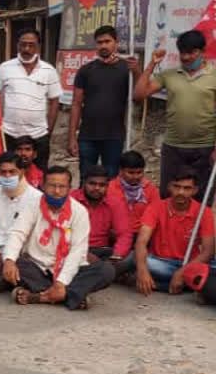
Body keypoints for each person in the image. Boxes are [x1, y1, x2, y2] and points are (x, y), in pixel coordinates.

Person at [2, 166, 115, 309]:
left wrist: (61, 282)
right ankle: (71, 295)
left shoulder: (79, 212)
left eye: (62, 186)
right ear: (43, 186)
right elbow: (18, 233)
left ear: (69, 188)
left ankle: (41, 296)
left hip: (70, 269)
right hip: (38, 267)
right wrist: (9, 261)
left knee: (106, 270)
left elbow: (77, 251)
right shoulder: (31, 206)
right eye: (52, 186)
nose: (56, 191)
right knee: (13, 262)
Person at [134, 30, 216, 201]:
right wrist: (151, 64)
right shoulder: (168, 75)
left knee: (201, 198)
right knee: (168, 196)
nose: (185, 57)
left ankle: (199, 228)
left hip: (204, 148)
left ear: (201, 52)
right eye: (182, 53)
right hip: (173, 147)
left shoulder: (214, 75)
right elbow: (139, 95)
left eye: (191, 52)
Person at [68, 26, 140, 181]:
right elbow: (76, 104)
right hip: (87, 136)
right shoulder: (86, 70)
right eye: (100, 42)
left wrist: (136, 71)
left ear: (116, 43)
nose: (103, 46)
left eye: (107, 41)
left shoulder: (126, 69)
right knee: (86, 179)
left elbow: (138, 95)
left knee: (111, 180)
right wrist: (72, 137)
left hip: (114, 136)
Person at [134, 169, 216, 296]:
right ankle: (190, 286)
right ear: (169, 187)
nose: (181, 192)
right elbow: (141, 241)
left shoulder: (204, 212)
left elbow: (208, 251)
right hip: (160, 262)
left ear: (195, 190)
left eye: (187, 188)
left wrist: (181, 272)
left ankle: (163, 285)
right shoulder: (156, 207)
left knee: (207, 269)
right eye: (176, 187)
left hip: (191, 264)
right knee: (137, 259)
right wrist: (142, 270)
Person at [0, 29, 62, 171]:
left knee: (39, 176)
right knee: (10, 173)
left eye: (31, 45)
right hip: (9, 134)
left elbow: (54, 102)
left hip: (38, 135)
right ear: (18, 46)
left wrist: (48, 130)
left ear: (38, 47)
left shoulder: (49, 70)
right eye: (23, 44)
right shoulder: (5, 68)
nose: (26, 49)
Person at [0, 152, 42, 278]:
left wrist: (10, 258)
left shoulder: (36, 197)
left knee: (28, 266)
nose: (7, 176)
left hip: (22, 253)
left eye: (12, 172)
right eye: (3, 172)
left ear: (22, 171)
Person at [70, 165, 133, 269]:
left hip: (102, 251)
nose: (97, 188)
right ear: (84, 182)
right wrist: (84, 254)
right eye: (92, 184)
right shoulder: (71, 200)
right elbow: (64, 233)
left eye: (102, 185)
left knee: (131, 257)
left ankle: (100, 271)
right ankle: (102, 272)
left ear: (108, 185)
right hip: (75, 249)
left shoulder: (115, 202)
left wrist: (115, 257)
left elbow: (125, 234)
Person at [107, 151, 160, 235]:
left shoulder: (151, 190)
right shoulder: (110, 188)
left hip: (142, 234)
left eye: (139, 172)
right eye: (131, 173)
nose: (135, 177)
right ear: (121, 171)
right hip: (115, 234)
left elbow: (155, 216)